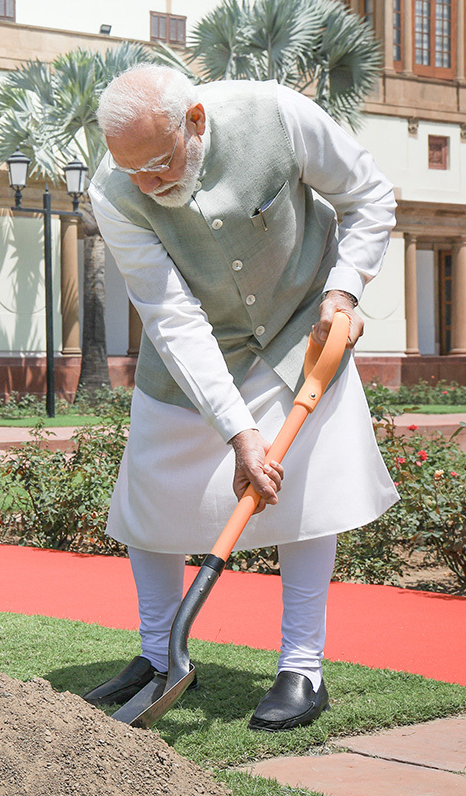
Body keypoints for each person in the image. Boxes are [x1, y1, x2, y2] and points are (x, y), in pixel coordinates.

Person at [81, 65, 399, 731]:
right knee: (151, 494)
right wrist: (238, 430)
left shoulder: (277, 115)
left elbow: (369, 194)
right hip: (195, 349)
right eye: (132, 171)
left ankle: (302, 668)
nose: (148, 186)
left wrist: (344, 289)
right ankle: (160, 656)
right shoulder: (113, 191)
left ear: (194, 121)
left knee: (307, 493)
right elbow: (170, 316)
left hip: (301, 328)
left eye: (159, 165)